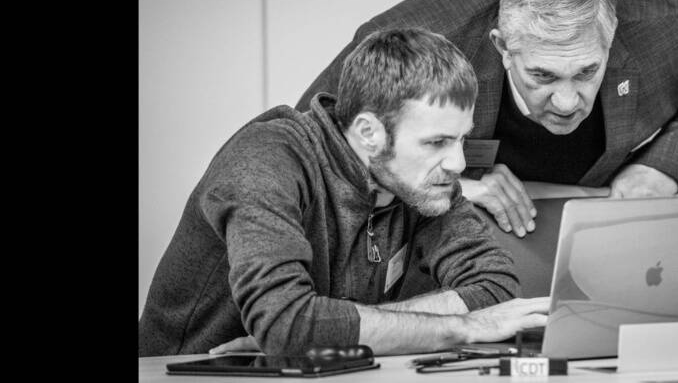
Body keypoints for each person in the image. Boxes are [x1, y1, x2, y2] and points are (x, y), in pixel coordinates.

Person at [138, 28, 548, 357]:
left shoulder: (420, 180)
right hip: (182, 371)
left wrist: (330, 331)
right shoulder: (265, 160)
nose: (458, 164)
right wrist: (464, 326)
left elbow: (493, 287)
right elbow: (288, 325)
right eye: (436, 142)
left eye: (461, 139)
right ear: (369, 132)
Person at [298, 0, 678, 239]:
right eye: (543, 75)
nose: (567, 102)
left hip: (591, 235)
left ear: (611, 37)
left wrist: (661, 165)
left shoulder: (670, 28)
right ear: (502, 47)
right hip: (444, 243)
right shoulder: (418, 43)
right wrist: (454, 186)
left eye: (587, 71)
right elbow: (312, 147)